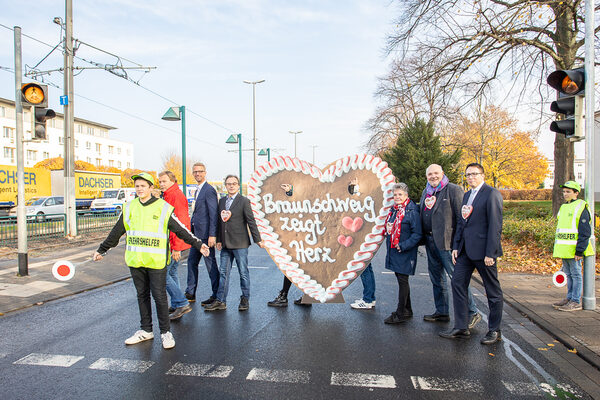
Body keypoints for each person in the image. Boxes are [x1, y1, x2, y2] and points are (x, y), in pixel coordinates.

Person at [93, 172, 209, 349]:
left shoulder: (163, 207)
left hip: (156, 261)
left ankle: (165, 332)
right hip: (136, 260)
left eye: (143, 186)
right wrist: (102, 250)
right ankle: (146, 330)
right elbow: (116, 232)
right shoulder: (129, 207)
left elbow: (181, 229)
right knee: (142, 296)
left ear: (150, 188)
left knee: (160, 297)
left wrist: (198, 244)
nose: (140, 189)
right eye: (137, 186)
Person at [440, 163, 503, 345]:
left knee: (492, 291)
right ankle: (461, 326)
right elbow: (461, 222)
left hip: (485, 253)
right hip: (465, 252)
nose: (471, 177)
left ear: (483, 175)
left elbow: (495, 225)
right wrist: (456, 246)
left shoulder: (491, 194)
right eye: (468, 175)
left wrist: (491, 252)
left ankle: (494, 330)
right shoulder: (467, 195)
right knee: (457, 283)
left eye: (474, 174)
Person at [419, 164, 481, 328]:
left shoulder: (453, 190)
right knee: (437, 280)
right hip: (430, 242)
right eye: (430, 174)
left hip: (448, 244)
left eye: (436, 173)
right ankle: (442, 311)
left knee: (457, 280)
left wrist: (458, 245)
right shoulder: (426, 192)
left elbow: (463, 218)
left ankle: (472, 312)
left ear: (442, 174)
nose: (433, 176)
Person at [204, 175, 263, 311]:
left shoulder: (244, 201)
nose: (231, 186)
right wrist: (219, 239)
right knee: (224, 272)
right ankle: (220, 300)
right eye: (229, 184)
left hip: (240, 243)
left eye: (234, 184)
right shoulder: (222, 201)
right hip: (225, 244)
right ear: (225, 185)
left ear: (238, 186)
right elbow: (219, 222)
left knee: (243, 272)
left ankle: (245, 299)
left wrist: (257, 239)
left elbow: (251, 221)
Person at [552, 181, 594, 312]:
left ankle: (575, 301)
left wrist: (579, 251)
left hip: (575, 250)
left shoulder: (581, 206)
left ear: (576, 193)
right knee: (569, 275)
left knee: (575, 275)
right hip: (565, 249)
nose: (565, 194)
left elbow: (585, 231)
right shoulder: (564, 207)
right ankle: (569, 298)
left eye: (568, 191)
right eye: (564, 191)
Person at [383, 182, 422, 324]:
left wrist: (403, 245)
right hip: (395, 251)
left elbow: (417, 234)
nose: (397, 197)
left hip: (404, 251)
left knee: (403, 281)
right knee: (402, 280)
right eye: (395, 195)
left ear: (406, 195)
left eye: (400, 194)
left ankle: (400, 313)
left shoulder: (411, 211)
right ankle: (407, 310)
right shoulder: (394, 210)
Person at [267, 183, 311, 307]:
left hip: (305, 239)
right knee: (294, 268)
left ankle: (285, 295)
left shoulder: (312, 200)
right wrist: (289, 192)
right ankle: (296, 295)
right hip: (299, 239)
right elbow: (293, 202)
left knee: (296, 268)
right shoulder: (304, 201)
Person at [158, 171, 192, 320]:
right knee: (171, 273)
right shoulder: (169, 195)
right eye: (160, 182)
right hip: (172, 243)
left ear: (172, 181)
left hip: (175, 244)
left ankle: (181, 302)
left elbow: (180, 223)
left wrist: (176, 247)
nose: (161, 184)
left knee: (163, 274)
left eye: (164, 181)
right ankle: (177, 303)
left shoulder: (175, 196)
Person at [186, 162, 219, 306]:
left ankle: (217, 295)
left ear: (205, 173)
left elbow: (213, 213)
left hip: (206, 236)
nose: (197, 174)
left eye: (200, 171)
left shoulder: (208, 190)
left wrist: (212, 235)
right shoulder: (198, 190)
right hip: (196, 236)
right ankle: (190, 292)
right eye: (195, 172)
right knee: (191, 262)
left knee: (210, 265)